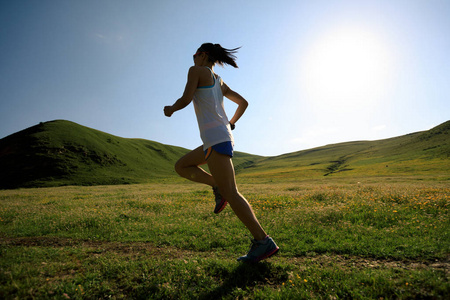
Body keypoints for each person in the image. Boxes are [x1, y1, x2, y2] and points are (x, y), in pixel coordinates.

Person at [163, 43, 279, 262]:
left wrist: (171, 109)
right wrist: (231, 123)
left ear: (203, 55)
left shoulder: (196, 71)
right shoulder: (220, 82)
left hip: (216, 139)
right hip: (215, 139)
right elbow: (243, 103)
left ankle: (263, 241)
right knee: (182, 166)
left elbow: (186, 99)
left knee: (232, 193)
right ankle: (216, 185)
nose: (193, 58)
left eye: (195, 54)